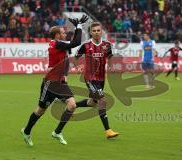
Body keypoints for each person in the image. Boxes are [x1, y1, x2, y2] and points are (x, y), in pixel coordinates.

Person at [21, 15, 89, 146]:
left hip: (60, 82)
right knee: (40, 110)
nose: (65, 34)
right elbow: (76, 42)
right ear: (57, 35)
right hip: (50, 83)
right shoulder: (55, 44)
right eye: (63, 33)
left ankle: (57, 132)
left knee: (72, 104)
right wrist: (79, 26)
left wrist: (65, 75)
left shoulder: (61, 45)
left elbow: (67, 55)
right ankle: (27, 131)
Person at [75, 22, 119, 139]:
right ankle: (108, 130)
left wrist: (111, 65)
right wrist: (78, 66)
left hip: (101, 78)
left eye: (98, 30)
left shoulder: (107, 45)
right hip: (90, 77)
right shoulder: (86, 45)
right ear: (90, 32)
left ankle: (73, 105)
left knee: (92, 102)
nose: (96, 32)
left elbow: (109, 56)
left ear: (101, 31)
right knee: (102, 100)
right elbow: (75, 57)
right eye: (94, 31)